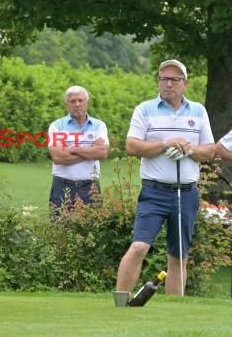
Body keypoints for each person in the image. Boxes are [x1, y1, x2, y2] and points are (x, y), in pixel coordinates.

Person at [116, 59, 215, 296]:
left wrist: (188, 149)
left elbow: (210, 151)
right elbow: (131, 146)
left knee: (178, 255)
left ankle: (174, 311)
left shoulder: (198, 111)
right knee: (139, 246)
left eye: (174, 79)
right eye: (163, 79)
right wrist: (165, 144)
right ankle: (120, 304)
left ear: (185, 84)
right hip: (154, 191)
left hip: (186, 192)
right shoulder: (145, 109)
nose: (168, 83)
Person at [48, 85, 109, 219]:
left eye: (81, 100)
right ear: (67, 104)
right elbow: (58, 157)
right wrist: (90, 150)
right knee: (58, 233)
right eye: (73, 101)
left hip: (90, 188)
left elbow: (102, 153)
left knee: (93, 231)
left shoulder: (99, 125)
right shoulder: (56, 126)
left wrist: (74, 149)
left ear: (87, 102)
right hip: (62, 187)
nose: (77, 104)